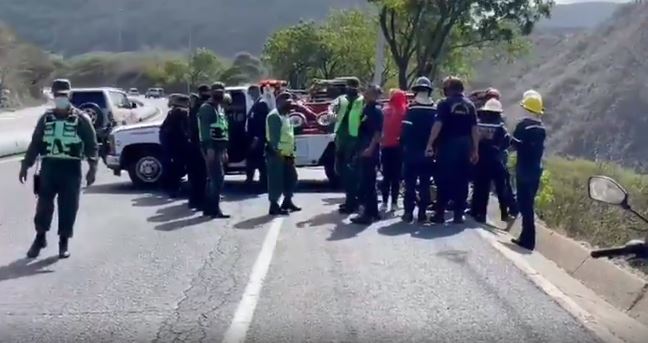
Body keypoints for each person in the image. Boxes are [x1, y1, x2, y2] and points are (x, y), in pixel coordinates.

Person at [19, 79, 98, 259]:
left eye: (64, 94)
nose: (60, 98)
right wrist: (26, 164)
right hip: (49, 167)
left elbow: (92, 145)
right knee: (43, 206)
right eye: (57, 95)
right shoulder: (45, 119)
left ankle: (64, 241)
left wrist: (92, 167)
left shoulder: (81, 119)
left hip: (71, 169)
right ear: (53, 96)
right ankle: (40, 237)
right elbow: (36, 143)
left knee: (68, 206)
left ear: (70, 95)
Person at [425, 76, 479, 224]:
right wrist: (475, 149)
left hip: (448, 145)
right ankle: (458, 214)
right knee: (462, 180)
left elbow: (438, 125)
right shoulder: (470, 105)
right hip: (465, 145)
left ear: (449, 89)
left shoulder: (444, 104)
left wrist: (430, 143)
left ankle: (440, 214)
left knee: (444, 179)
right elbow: (475, 129)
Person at [510, 90, 546, 250]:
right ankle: (525, 237)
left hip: (524, 169)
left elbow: (515, 145)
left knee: (524, 205)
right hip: (536, 170)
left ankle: (528, 240)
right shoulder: (541, 129)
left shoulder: (523, 126)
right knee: (528, 204)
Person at [469, 98, 512, 223]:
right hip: (496, 159)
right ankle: (504, 213)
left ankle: (478, 212)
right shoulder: (500, 125)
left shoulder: (479, 123)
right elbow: (506, 140)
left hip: (481, 159)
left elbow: (473, 139)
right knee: (501, 188)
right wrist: (498, 148)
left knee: (481, 187)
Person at [401, 77, 437, 223]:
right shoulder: (435, 111)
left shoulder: (410, 110)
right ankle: (422, 213)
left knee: (409, 184)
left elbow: (405, 133)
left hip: (411, 152)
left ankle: (408, 212)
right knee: (424, 183)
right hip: (428, 153)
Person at [350, 85, 384, 225]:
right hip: (363, 147)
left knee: (367, 184)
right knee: (368, 183)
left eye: (368, 92)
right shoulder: (366, 109)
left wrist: (370, 148)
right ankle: (373, 212)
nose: (364, 93)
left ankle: (367, 214)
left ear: (374, 95)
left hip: (370, 150)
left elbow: (377, 133)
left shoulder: (376, 111)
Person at [265, 92, 302, 215]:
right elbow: (273, 138)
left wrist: (292, 152)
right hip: (277, 154)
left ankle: (287, 201)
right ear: (279, 102)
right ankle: (274, 205)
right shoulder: (274, 116)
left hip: (288, 154)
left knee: (292, 178)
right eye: (287, 103)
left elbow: (289, 135)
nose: (289, 105)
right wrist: (278, 153)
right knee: (276, 180)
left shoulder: (286, 115)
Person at [197, 82, 230, 218]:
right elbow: (205, 130)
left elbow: (223, 128)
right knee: (216, 179)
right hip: (211, 148)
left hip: (219, 148)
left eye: (221, 92)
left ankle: (209, 209)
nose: (219, 95)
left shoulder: (219, 108)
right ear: (211, 93)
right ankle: (213, 209)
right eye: (217, 92)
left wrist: (224, 150)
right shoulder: (207, 108)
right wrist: (210, 149)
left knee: (216, 179)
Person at [333, 77, 364, 214]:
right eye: (349, 86)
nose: (351, 88)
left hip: (354, 140)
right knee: (341, 171)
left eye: (353, 86)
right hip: (341, 139)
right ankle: (351, 201)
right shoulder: (341, 99)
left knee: (352, 173)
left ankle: (352, 203)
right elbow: (333, 110)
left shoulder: (362, 100)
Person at [379, 88, 408, 212]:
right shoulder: (404, 111)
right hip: (399, 147)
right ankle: (395, 203)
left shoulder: (384, 111)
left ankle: (384, 202)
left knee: (386, 176)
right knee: (396, 177)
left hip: (385, 146)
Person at [159, 94, 190, 198]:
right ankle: (173, 189)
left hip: (172, 145)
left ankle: (171, 187)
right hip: (176, 145)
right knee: (176, 168)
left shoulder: (173, 113)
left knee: (172, 167)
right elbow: (182, 130)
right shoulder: (180, 113)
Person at [187, 84, 211, 210]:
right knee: (202, 176)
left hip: (193, 144)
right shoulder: (203, 107)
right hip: (200, 146)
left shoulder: (194, 106)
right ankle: (200, 201)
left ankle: (194, 201)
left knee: (195, 176)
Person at [245, 85, 270, 192]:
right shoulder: (256, 104)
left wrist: (256, 138)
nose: (250, 95)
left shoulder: (261, 104)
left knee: (260, 163)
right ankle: (251, 182)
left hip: (258, 138)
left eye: (251, 93)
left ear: (256, 92)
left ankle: (263, 184)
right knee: (252, 161)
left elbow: (260, 123)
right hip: (254, 138)